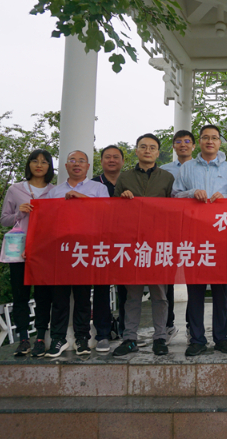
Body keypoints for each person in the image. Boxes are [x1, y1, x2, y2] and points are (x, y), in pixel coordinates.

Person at [175, 124, 227, 357]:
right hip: (194, 237)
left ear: (219, 142)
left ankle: (222, 338)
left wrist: (226, 197)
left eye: (214, 138)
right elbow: (174, 195)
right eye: (205, 137)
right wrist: (192, 193)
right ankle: (197, 339)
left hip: (221, 237)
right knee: (196, 291)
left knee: (221, 291)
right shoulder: (187, 167)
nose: (210, 141)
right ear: (198, 142)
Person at [111, 134, 175, 358]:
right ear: (136, 151)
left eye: (152, 147)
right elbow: (113, 211)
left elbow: (174, 211)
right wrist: (123, 199)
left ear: (158, 152)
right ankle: (129, 338)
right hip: (132, 243)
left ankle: (160, 337)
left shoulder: (167, 178)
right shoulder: (125, 177)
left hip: (158, 244)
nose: (147, 151)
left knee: (160, 294)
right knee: (133, 295)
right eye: (143, 147)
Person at [43, 150, 110, 358]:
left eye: (81, 161)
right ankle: (58, 338)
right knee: (59, 297)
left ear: (88, 166)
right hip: (61, 249)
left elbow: (107, 213)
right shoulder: (54, 192)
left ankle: (82, 337)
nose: (77, 164)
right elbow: (46, 219)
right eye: (72, 160)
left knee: (82, 296)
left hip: (86, 248)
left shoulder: (98, 189)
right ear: (66, 166)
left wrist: (83, 199)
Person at [0, 149, 55, 357]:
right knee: (20, 295)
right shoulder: (15, 189)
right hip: (19, 250)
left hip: (44, 251)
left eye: (44, 162)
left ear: (49, 166)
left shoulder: (54, 191)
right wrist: (19, 213)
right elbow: (4, 220)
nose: (39, 165)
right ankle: (23, 339)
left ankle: (40, 338)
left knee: (43, 296)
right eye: (35, 161)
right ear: (29, 164)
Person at [161, 130, 197, 344]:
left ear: (193, 145)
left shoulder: (200, 168)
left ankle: (193, 326)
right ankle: (167, 325)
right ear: (173, 145)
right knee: (167, 278)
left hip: (195, 230)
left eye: (187, 141)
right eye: (178, 141)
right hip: (169, 230)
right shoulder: (164, 171)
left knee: (194, 279)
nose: (183, 144)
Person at [91, 145, 125, 353]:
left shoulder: (129, 181)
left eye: (116, 157)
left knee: (127, 288)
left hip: (126, 243)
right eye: (107, 157)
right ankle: (102, 333)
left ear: (122, 161)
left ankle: (126, 331)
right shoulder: (93, 184)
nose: (112, 160)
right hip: (101, 243)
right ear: (101, 160)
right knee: (101, 288)